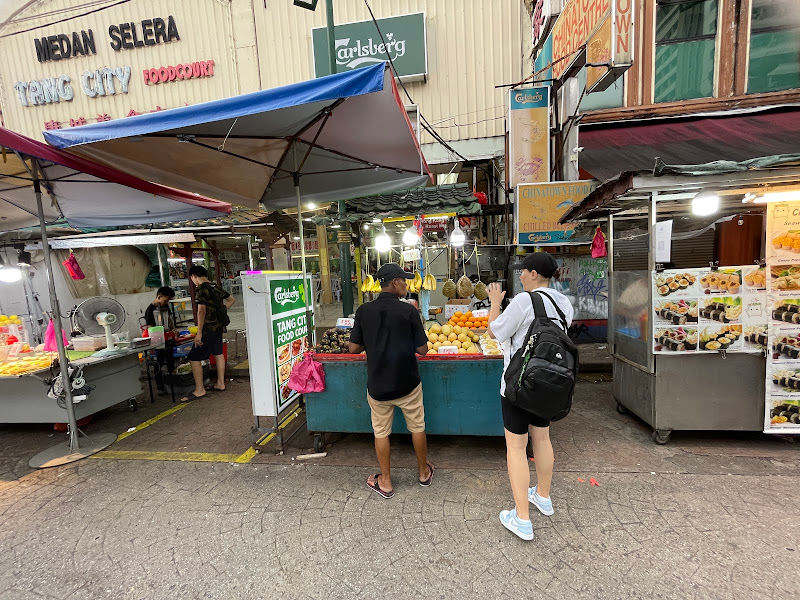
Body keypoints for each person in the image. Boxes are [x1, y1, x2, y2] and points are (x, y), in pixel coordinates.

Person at [487, 252, 574, 540]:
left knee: (516, 448)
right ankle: (543, 497)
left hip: (518, 385)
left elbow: (495, 332)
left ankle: (522, 518)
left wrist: (495, 304)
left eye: (523, 271)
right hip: (547, 383)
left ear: (534, 274)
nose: (521, 276)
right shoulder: (564, 303)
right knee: (542, 439)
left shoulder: (524, 301)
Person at [348, 262, 433, 499]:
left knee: (381, 432)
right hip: (408, 383)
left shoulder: (364, 311)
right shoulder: (409, 311)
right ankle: (423, 472)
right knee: (417, 427)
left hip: (378, 386)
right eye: (403, 281)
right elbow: (423, 349)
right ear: (395, 283)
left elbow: (353, 348)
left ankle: (385, 482)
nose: (406, 285)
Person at [180, 266, 235, 402]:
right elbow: (231, 300)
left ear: (194, 276)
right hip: (219, 327)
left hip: (208, 329)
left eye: (192, 278)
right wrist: (222, 311)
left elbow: (201, 311)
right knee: (218, 353)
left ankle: (200, 390)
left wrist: (199, 333)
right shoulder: (215, 286)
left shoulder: (201, 289)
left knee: (194, 357)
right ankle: (220, 383)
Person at [143, 286, 175, 394]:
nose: (167, 302)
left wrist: (173, 330)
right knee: (159, 363)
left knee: (171, 361)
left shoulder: (165, 306)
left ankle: (172, 383)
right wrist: (159, 337)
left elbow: (169, 320)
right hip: (157, 341)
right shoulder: (150, 310)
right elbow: (150, 328)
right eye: (166, 300)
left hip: (168, 338)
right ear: (159, 296)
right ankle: (160, 386)